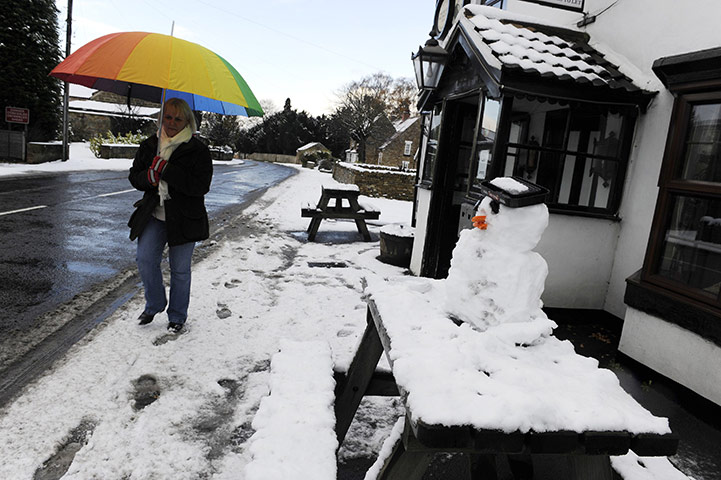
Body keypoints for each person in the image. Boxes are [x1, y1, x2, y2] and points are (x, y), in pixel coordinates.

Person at [128, 97, 212, 333]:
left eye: (178, 118)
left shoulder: (198, 150)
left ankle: (177, 316)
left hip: (185, 218)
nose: (172, 122)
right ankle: (154, 304)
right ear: (161, 117)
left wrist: (167, 170)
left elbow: (200, 186)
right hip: (154, 214)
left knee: (180, 270)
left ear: (188, 121)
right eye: (168, 117)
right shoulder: (150, 146)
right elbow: (134, 176)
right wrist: (149, 177)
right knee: (145, 260)